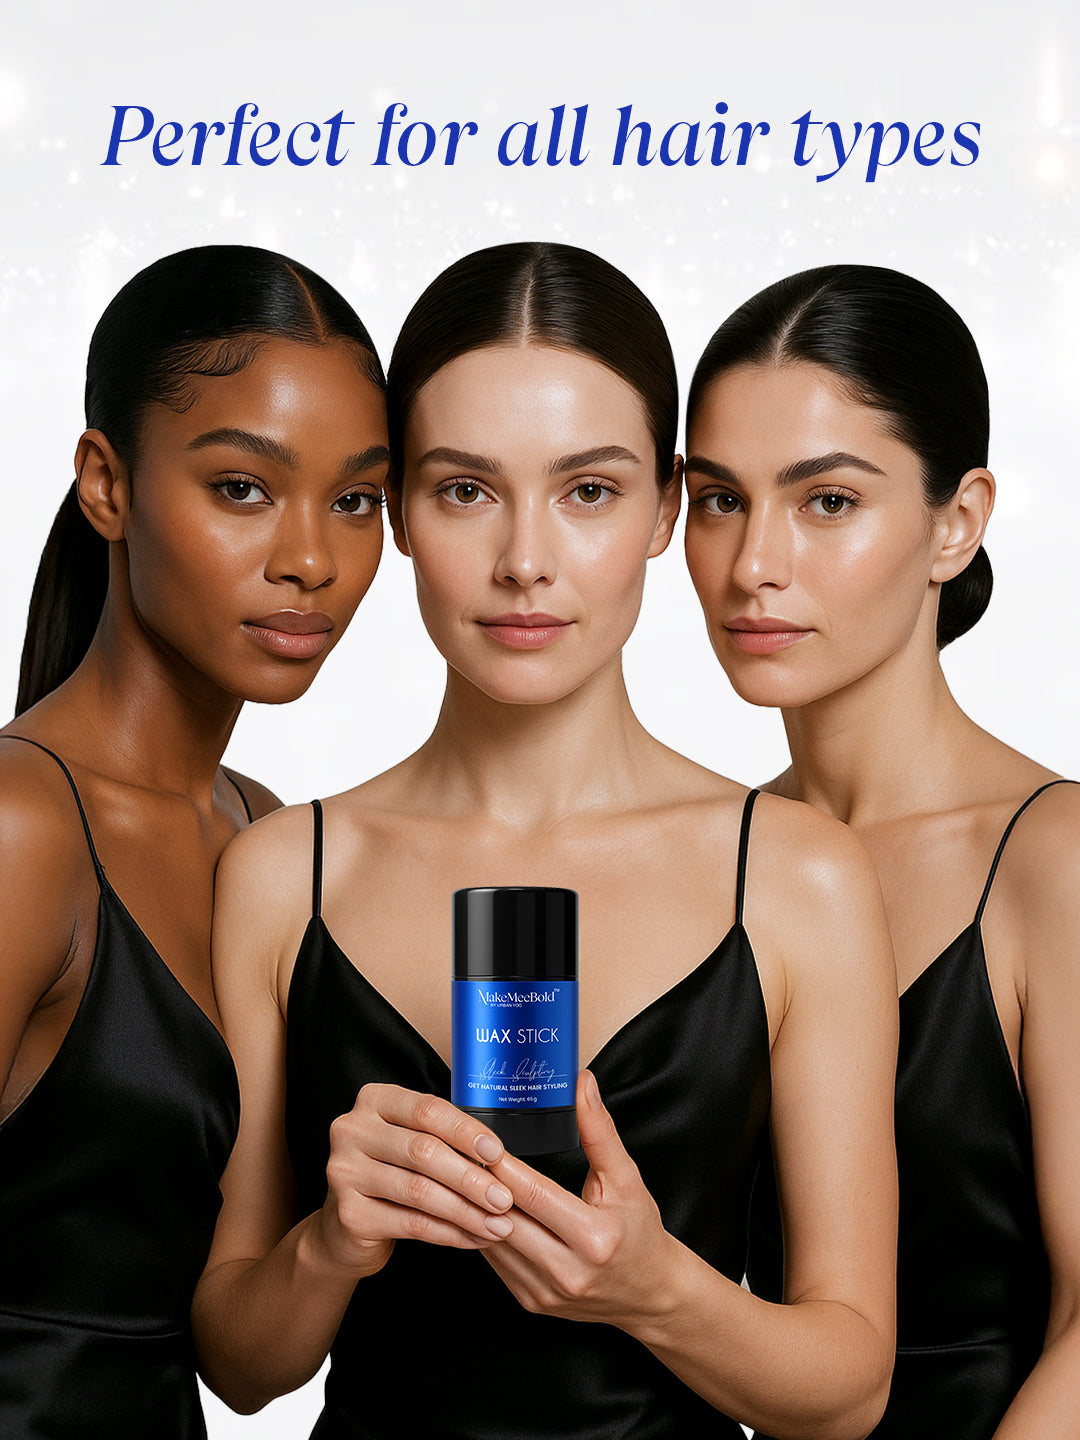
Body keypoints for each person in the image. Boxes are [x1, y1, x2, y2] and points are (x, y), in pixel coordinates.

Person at [194, 241, 897, 1440]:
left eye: (589, 490)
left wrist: (659, 1290)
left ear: (665, 511)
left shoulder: (796, 875)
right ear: (402, 511)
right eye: (465, 489)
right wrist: (332, 1239)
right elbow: (241, 1367)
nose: (526, 563)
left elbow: (849, 1388)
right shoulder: (281, 874)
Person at [683, 262, 1080, 1439]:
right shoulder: (715, 855)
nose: (755, 563)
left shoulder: (1050, 859)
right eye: (718, 497)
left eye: (829, 502)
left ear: (955, 523)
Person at [0, 244, 388, 1439]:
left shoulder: (261, 833)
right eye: (242, 488)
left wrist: (342, 1236)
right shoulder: (22, 824)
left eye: (357, 499)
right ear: (106, 484)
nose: (310, 559)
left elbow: (244, 1371)